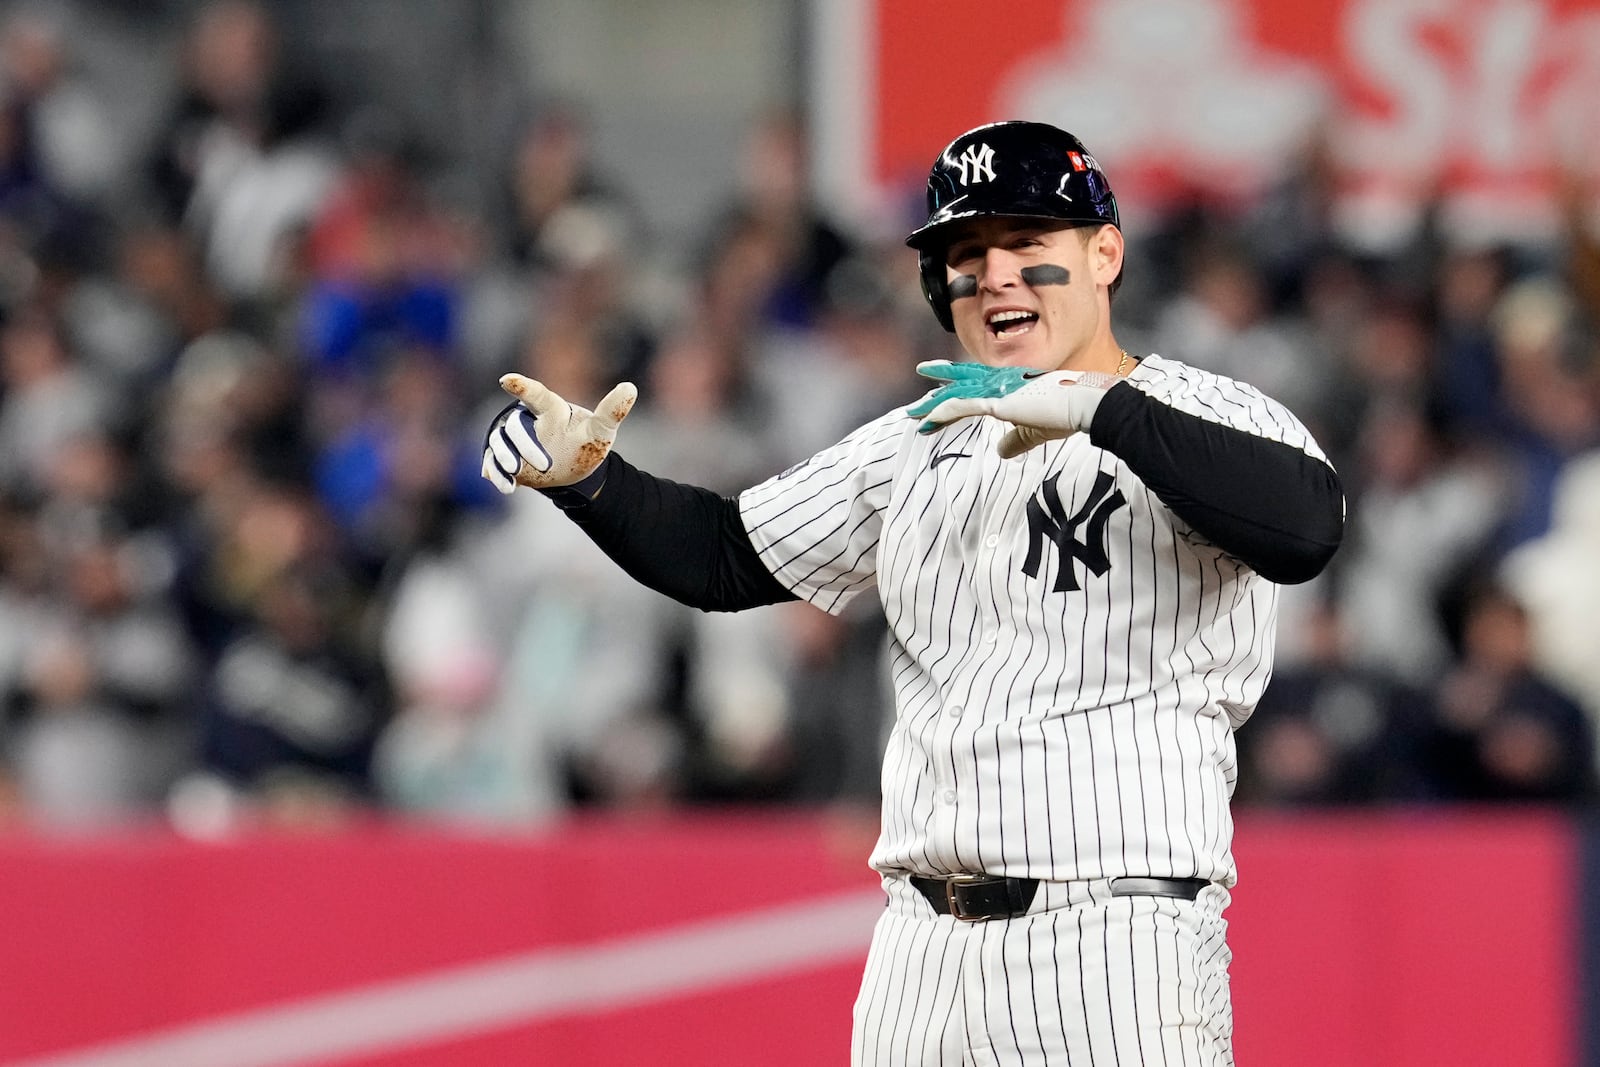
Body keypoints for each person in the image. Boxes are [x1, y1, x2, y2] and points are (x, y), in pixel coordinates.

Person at [481, 120, 1345, 1066]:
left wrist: (1100, 409)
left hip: (1114, 935)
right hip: (919, 948)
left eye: (1028, 244)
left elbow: (1305, 527)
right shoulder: (916, 440)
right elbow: (726, 554)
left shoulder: (1203, 412)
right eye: (968, 254)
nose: (997, 274)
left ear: (1105, 254)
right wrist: (589, 479)